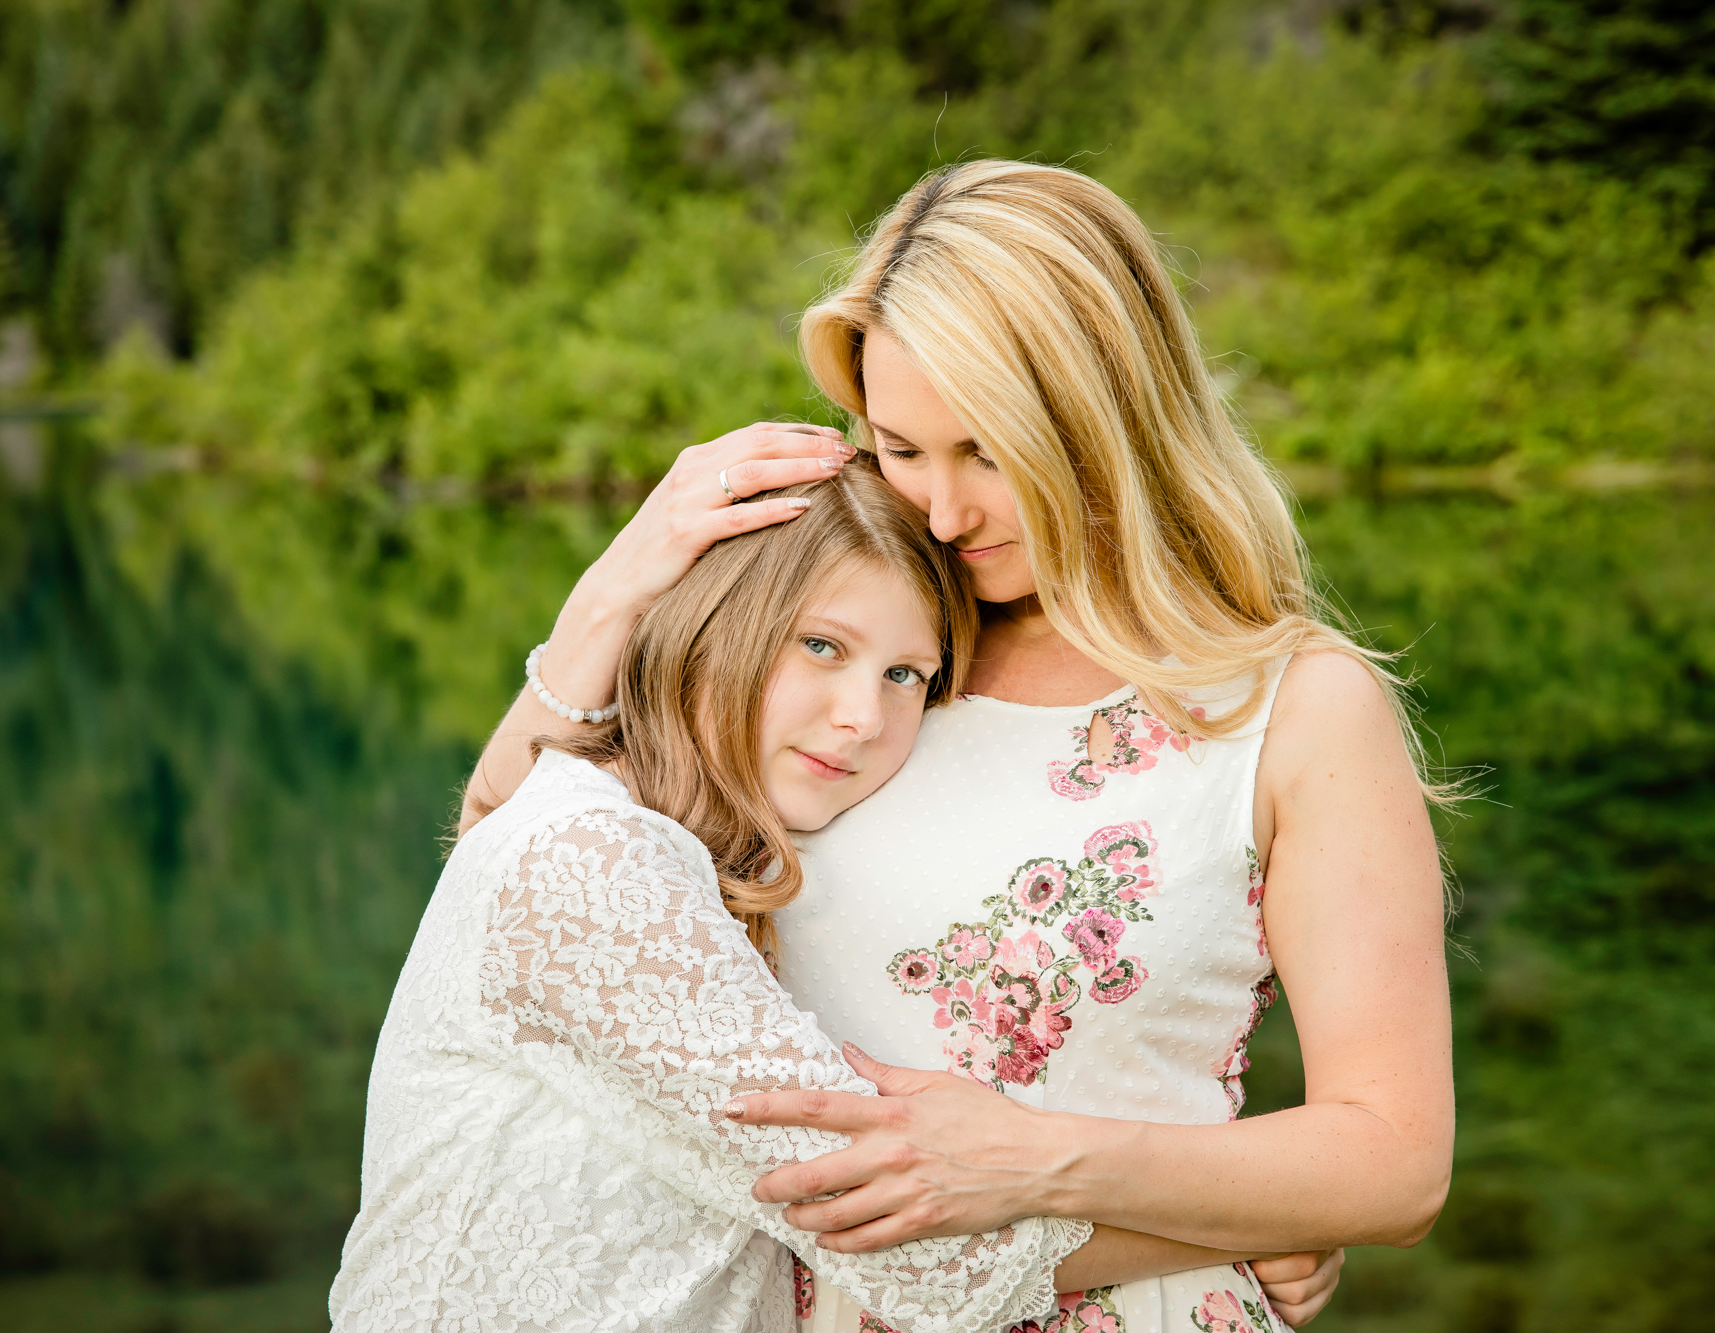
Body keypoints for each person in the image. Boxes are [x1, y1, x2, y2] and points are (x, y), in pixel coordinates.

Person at [456, 161, 1451, 1332]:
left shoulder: (1290, 707)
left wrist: (1060, 1166)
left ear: (1106, 415)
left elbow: (1392, 1160)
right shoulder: (854, 648)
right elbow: (513, 880)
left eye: (985, 451)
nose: (939, 512)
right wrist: (610, 592)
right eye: (898, 448)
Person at [333, 459, 1109, 1331]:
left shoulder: (667, 846)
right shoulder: (591, 854)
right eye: (821, 645)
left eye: (906, 676)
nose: (863, 715)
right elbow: (900, 1229)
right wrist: (1242, 1223)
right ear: (713, 625)